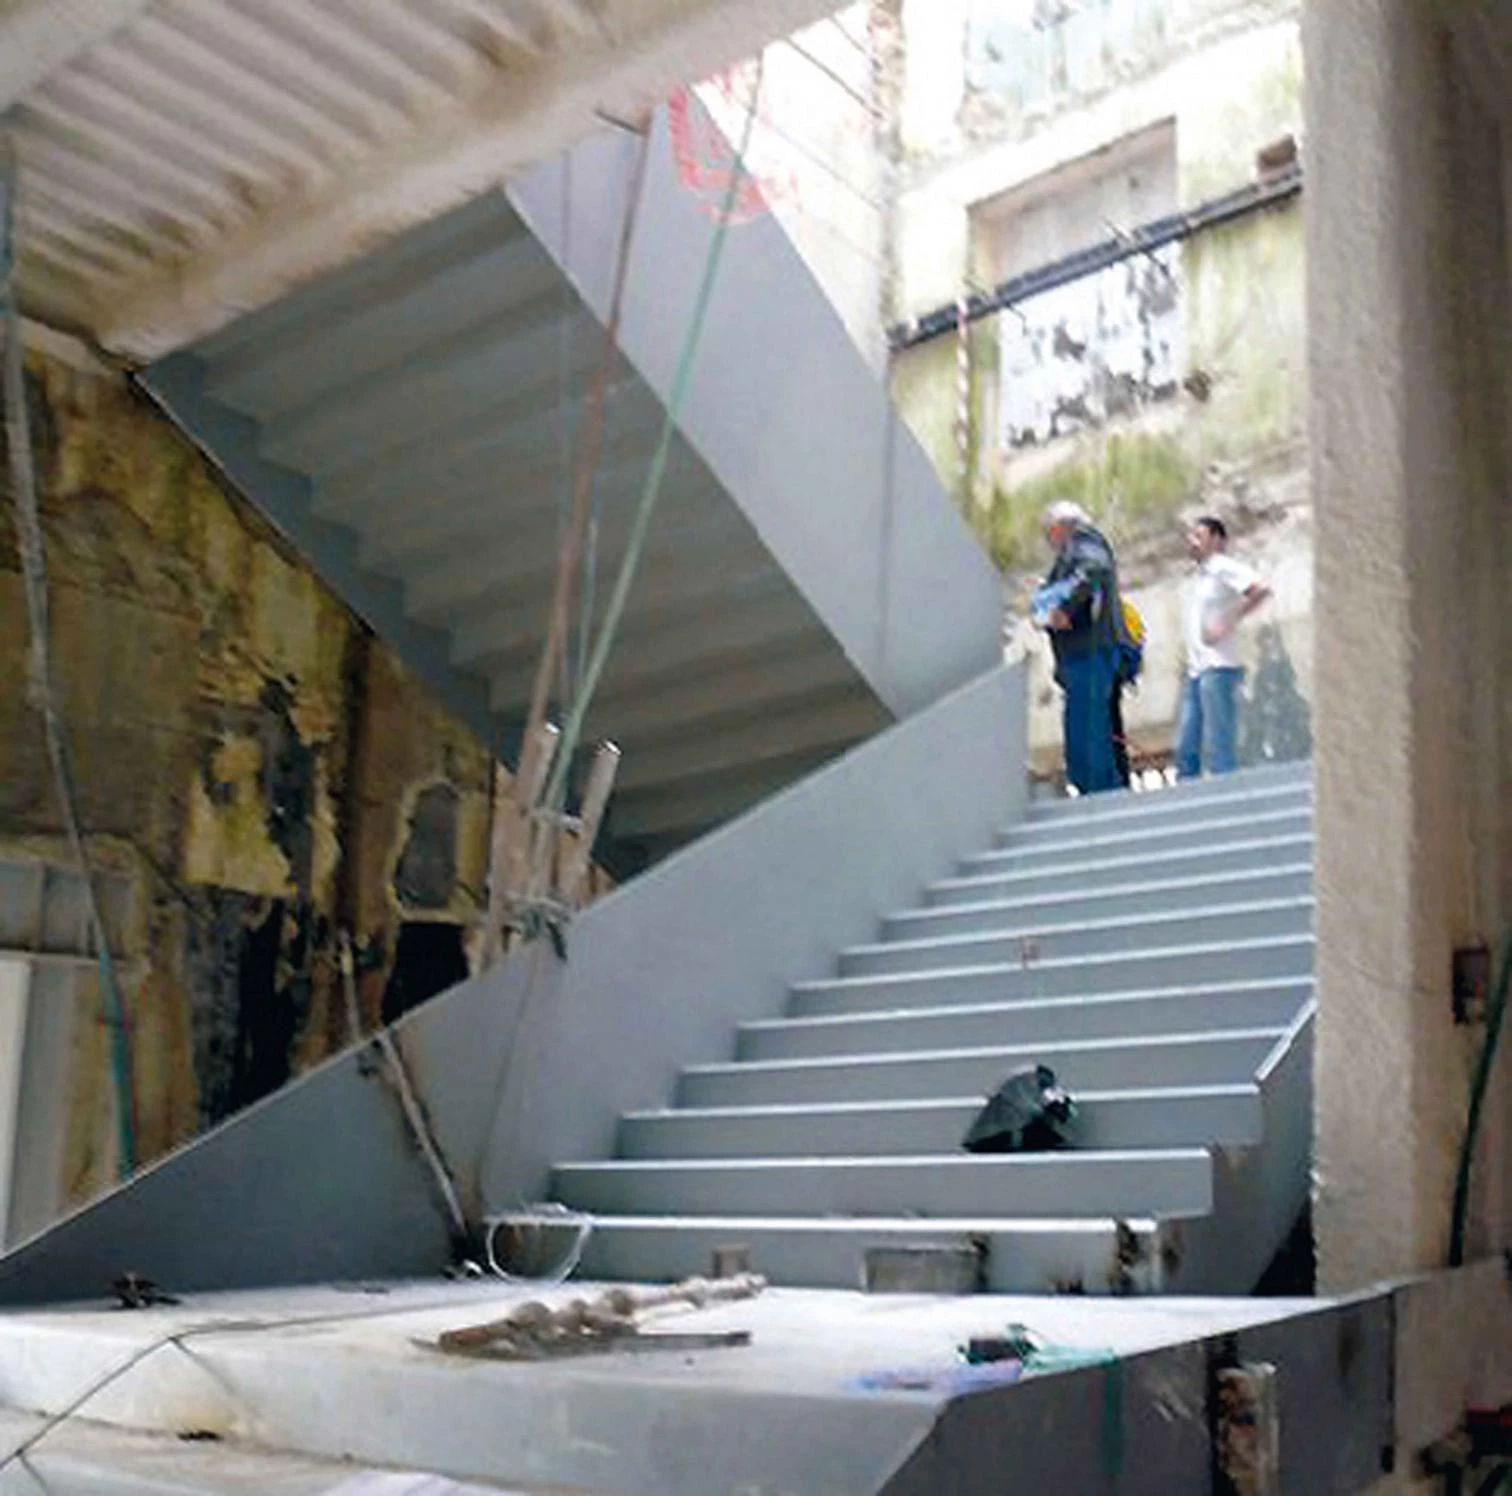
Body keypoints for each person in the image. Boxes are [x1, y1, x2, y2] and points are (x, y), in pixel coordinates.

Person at [1033, 500, 1128, 796]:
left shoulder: (1084, 543)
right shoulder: (1076, 551)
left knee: (1087, 732)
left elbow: (1093, 570)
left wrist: (1065, 609)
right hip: (1082, 654)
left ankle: (1101, 796)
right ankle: (1097, 792)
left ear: (1059, 528)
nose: (1049, 542)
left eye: (1049, 534)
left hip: (1089, 651)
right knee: (1085, 729)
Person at [1176, 515, 1272, 778]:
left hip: (1218, 666)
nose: (1192, 542)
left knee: (1219, 741)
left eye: (1199, 536)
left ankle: (1227, 788)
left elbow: (1260, 589)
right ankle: (1188, 794)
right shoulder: (1200, 576)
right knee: (1186, 745)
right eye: (1191, 536)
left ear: (1217, 540)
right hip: (1196, 669)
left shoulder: (1222, 566)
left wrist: (1225, 622)